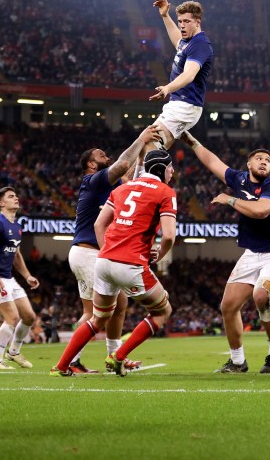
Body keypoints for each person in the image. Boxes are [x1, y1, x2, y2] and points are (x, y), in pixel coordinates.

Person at [51, 150, 178, 377]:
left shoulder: (121, 188)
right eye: (170, 167)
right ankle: (118, 356)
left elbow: (100, 224)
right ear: (162, 169)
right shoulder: (166, 192)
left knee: (98, 318)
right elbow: (169, 235)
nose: (173, 172)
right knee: (162, 311)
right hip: (131, 263)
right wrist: (160, 255)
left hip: (103, 261)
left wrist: (106, 251)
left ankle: (61, 365)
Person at [181, 132, 270, 374]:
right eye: (259, 159)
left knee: (261, 296)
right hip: (252, 253)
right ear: (249, 164)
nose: (264, 162)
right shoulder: (239, 179)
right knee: (228, 306)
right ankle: (237, 361)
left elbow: (262, 211)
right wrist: (192, 141)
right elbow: (212, 161)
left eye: (267, 160)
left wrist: (230, 200)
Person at [66, 126, 159, 374]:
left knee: (120, 305)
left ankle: (113, 357)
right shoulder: (93, 181)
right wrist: (140, 139)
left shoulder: (115, 187)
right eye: (99, 154)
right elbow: (120, 166)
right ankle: (73, 361)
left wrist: (143, 154)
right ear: (91, 165)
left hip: (95, 254)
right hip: (88, 252)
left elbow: (133, 177)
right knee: (96, 313)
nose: (104, 153)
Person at [0, 187, 39, 370]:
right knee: (12, 317)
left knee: (29, 316)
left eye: (16, 195)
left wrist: (27, 276)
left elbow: (16, 254)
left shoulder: (16, 226)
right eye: (11, 196)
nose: (16, 198)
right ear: (1, 203)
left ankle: (14, 352)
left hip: (8, 277)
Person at [146, 0, 214, 153]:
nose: (182, 26)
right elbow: (177, 40)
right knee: (155, 153)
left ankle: (137, 179)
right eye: (180, 21)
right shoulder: (188, 41)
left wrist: (167, 88)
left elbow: (189, 75)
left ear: (198, 22)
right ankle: (145, 178)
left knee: (148, 147)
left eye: (186, 21)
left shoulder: (200, 44)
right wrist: (165, 16)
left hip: (185, 105)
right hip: (180, 104)